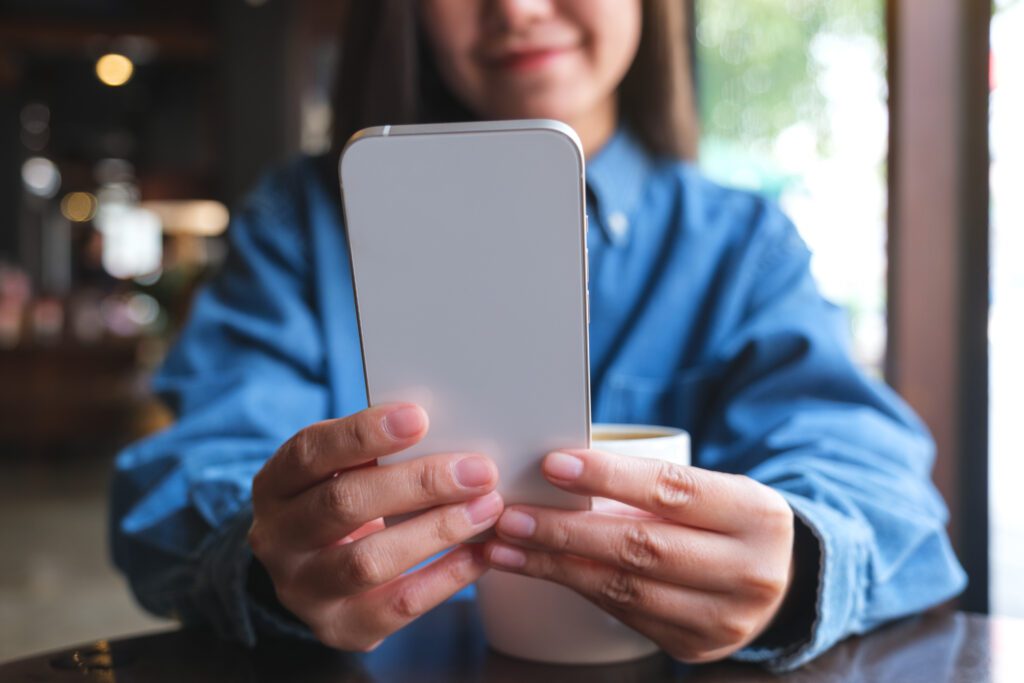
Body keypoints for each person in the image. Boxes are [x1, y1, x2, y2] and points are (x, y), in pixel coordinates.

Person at [110, 0, 966, 671]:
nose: (517, 8)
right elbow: (179, 482)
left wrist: (795, 565)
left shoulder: (743, 249)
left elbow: (876, 483)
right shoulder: (300, 228)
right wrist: (269, 559)